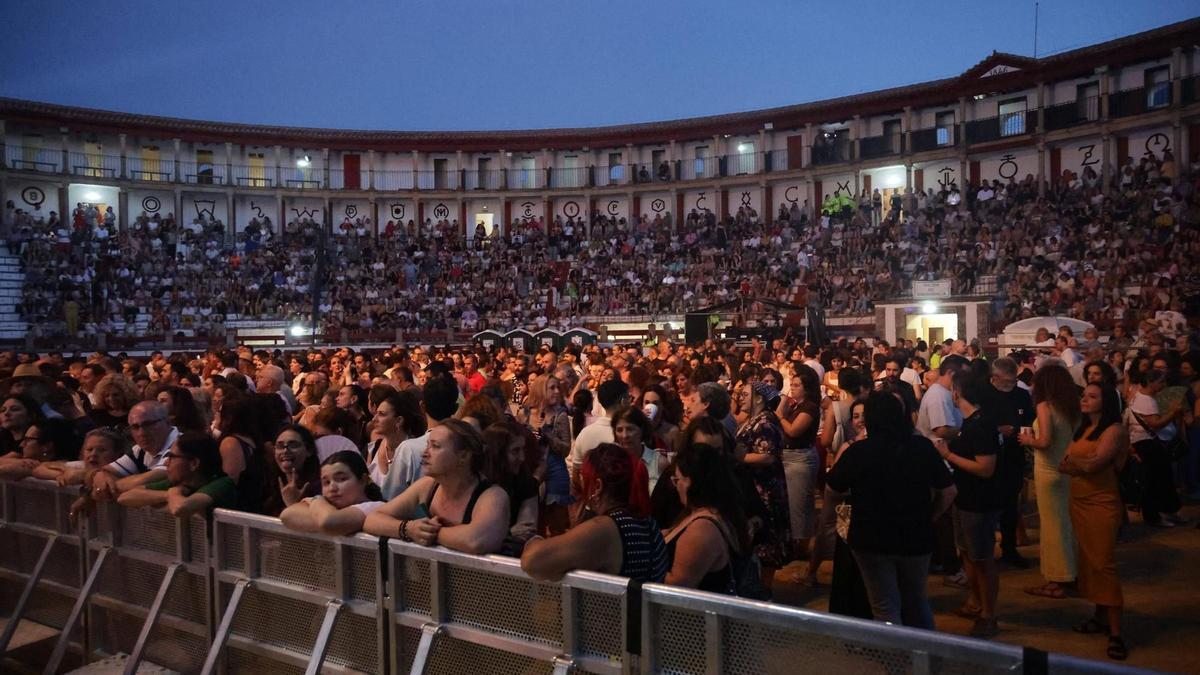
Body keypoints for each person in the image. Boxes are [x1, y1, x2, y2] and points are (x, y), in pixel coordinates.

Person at [826, 392, 957, 630]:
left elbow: (833, 487)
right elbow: (948, 491)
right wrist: (930, 517)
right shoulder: (922, 447)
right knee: (916, 602)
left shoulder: (859, 451)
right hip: (915, 535)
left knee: (884, 605)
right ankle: (922, 651)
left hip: (871, 537)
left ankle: (893, 653)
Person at [521, 443, 669, 582]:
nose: (581, 483)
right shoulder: (647, 522)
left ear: (597, 486)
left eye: (584, 477)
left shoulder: (606, 528)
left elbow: (532, 561)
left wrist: (532, 539)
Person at [365, 419, 510, 555]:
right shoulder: (427, 486)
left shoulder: (493, 496)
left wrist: (427, 532)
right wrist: (408, 528)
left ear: (464, 456)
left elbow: (476, 540)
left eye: (435, 446)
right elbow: (372, 520)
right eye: (427, 445)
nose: (425, 453)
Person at [1060, 384, 1129, 660]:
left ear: (1107, 401)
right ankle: (1100, 617)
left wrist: (1078, 464)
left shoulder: (1114, 430)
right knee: (1089, 563)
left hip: (1102, 503)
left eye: (1092, 396)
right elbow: (1065, 462)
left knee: (1103, 564)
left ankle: (1116, 632)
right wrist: (1081, 464)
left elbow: (1093, 464)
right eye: (1084, 395)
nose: (1084, 399)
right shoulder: (1084, 428)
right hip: (1079, 501)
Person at [938, 371, 1002, 638]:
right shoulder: (970, 422)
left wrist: (948, 454)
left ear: (957, 393)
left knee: (982, 559)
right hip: (965, 499)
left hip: (979, 502)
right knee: (968, 554)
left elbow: (985, 468)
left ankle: (988, 613)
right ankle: (975, 602)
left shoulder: (980, 424)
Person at [1018, 363, 1079, 598]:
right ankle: (1071, 572)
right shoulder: (1071, 407)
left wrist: (1027, 440)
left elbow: (1044, 441)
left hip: (1048, 469)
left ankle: (1057, 578)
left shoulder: (1045, 406)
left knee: (1053, 526)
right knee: (1065, 523)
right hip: (1066, 469)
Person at [662, 443, 749, 594]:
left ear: (690, 482)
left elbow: (678, 587)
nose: (676, 486)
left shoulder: (702, 529)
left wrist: (642, 565)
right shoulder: (710, 513)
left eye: (677, 479)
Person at [735, 380, 789, 589]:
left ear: (759, 399)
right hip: (753, 487)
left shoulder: (765, 422)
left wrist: (738, 458)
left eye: (745, 394)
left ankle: (764, 589)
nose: (740, 398)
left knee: (767, 538)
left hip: (765, 489)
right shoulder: (753, 420)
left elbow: (767, 456)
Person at [986, 357, 1035, 568]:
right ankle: (985, 552)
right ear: (994, 378)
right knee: (988, 507)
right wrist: (997, 430)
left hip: (1014, 455)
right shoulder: (983, 395)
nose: (1011, 385)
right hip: (989, 457)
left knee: (1010, 506)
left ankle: (1009, 548)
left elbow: (1030, 419)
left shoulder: (1021, 395)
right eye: (1007, 381)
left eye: (1013, 381)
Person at [117, 432, 238, 517]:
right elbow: (125, 497)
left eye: (171, 457)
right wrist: (167, 495)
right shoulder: (178, 485)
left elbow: (180, 508)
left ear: (194, 463)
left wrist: (173, 494)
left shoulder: (222, 484)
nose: (166, 463)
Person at [776, 364, 821, 582]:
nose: (791, 388)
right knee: (795, 503)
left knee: (800, 505)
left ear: (807, 387)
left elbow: (794, 431)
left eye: (796, 385)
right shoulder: (798, 405)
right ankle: (797, 545)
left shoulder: (809, 407)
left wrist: (780, 416)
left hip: (800, 458)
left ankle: (802, 548)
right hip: (791, 457)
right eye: (791, 384)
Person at [1125, 367, 1186, 527]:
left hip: (1148, 443)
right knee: (1155, 480)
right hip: (1148, 444)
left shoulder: (1141, 395)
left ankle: (1167, 511)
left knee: (1161, 478)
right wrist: (1173, 412)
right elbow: (1155, 424)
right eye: (1161, 382)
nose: (1164, 385)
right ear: (1150, 382)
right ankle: (1154, 515)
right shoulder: (1146, 401)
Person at [381, 374, 459, 499]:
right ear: (456, 408)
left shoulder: (409, 449)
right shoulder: (466, 445)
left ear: (422, 406)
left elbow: (389, 495)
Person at [280, 451, 386, 536]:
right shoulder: (326, 508)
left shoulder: (376, 507)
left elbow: (328, 521)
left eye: (341, 479)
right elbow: (287, 515)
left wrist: (316, 499)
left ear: (363, 480)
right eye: (326, 482)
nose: (332, 488)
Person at [519, 374, 573, 535]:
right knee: (533, 523)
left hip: (555, 471)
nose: (557, 391)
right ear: (540, 390)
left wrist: (548, 437)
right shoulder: (524, 414)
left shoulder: (560, 416)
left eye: (558, 388)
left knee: (557, 525)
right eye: (552, 388)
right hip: (530, 470)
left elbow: (566, 450)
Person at [481, 422, 539, 548]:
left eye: (523, 450)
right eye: (515, 451)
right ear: (497, 453)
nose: (522, 457)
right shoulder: (476, 480)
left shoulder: (525, 481)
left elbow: (525, 530)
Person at [263, 424, 322, 516]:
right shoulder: (268, 482)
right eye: (280, 446)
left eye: (293, 445)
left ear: (309, 451)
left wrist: (292, 504)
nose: (285, 451)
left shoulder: (320, 487)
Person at [0, 418, 82, 480]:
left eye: (28, 440)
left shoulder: (69, 466)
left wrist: (28, 467)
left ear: (47, 446)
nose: (21, 445)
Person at [611, 405, 660, 506]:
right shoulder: (610, 461)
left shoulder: (659, 462)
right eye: (619, 430)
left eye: (630, 429)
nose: (625, 435)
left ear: (642, 430)